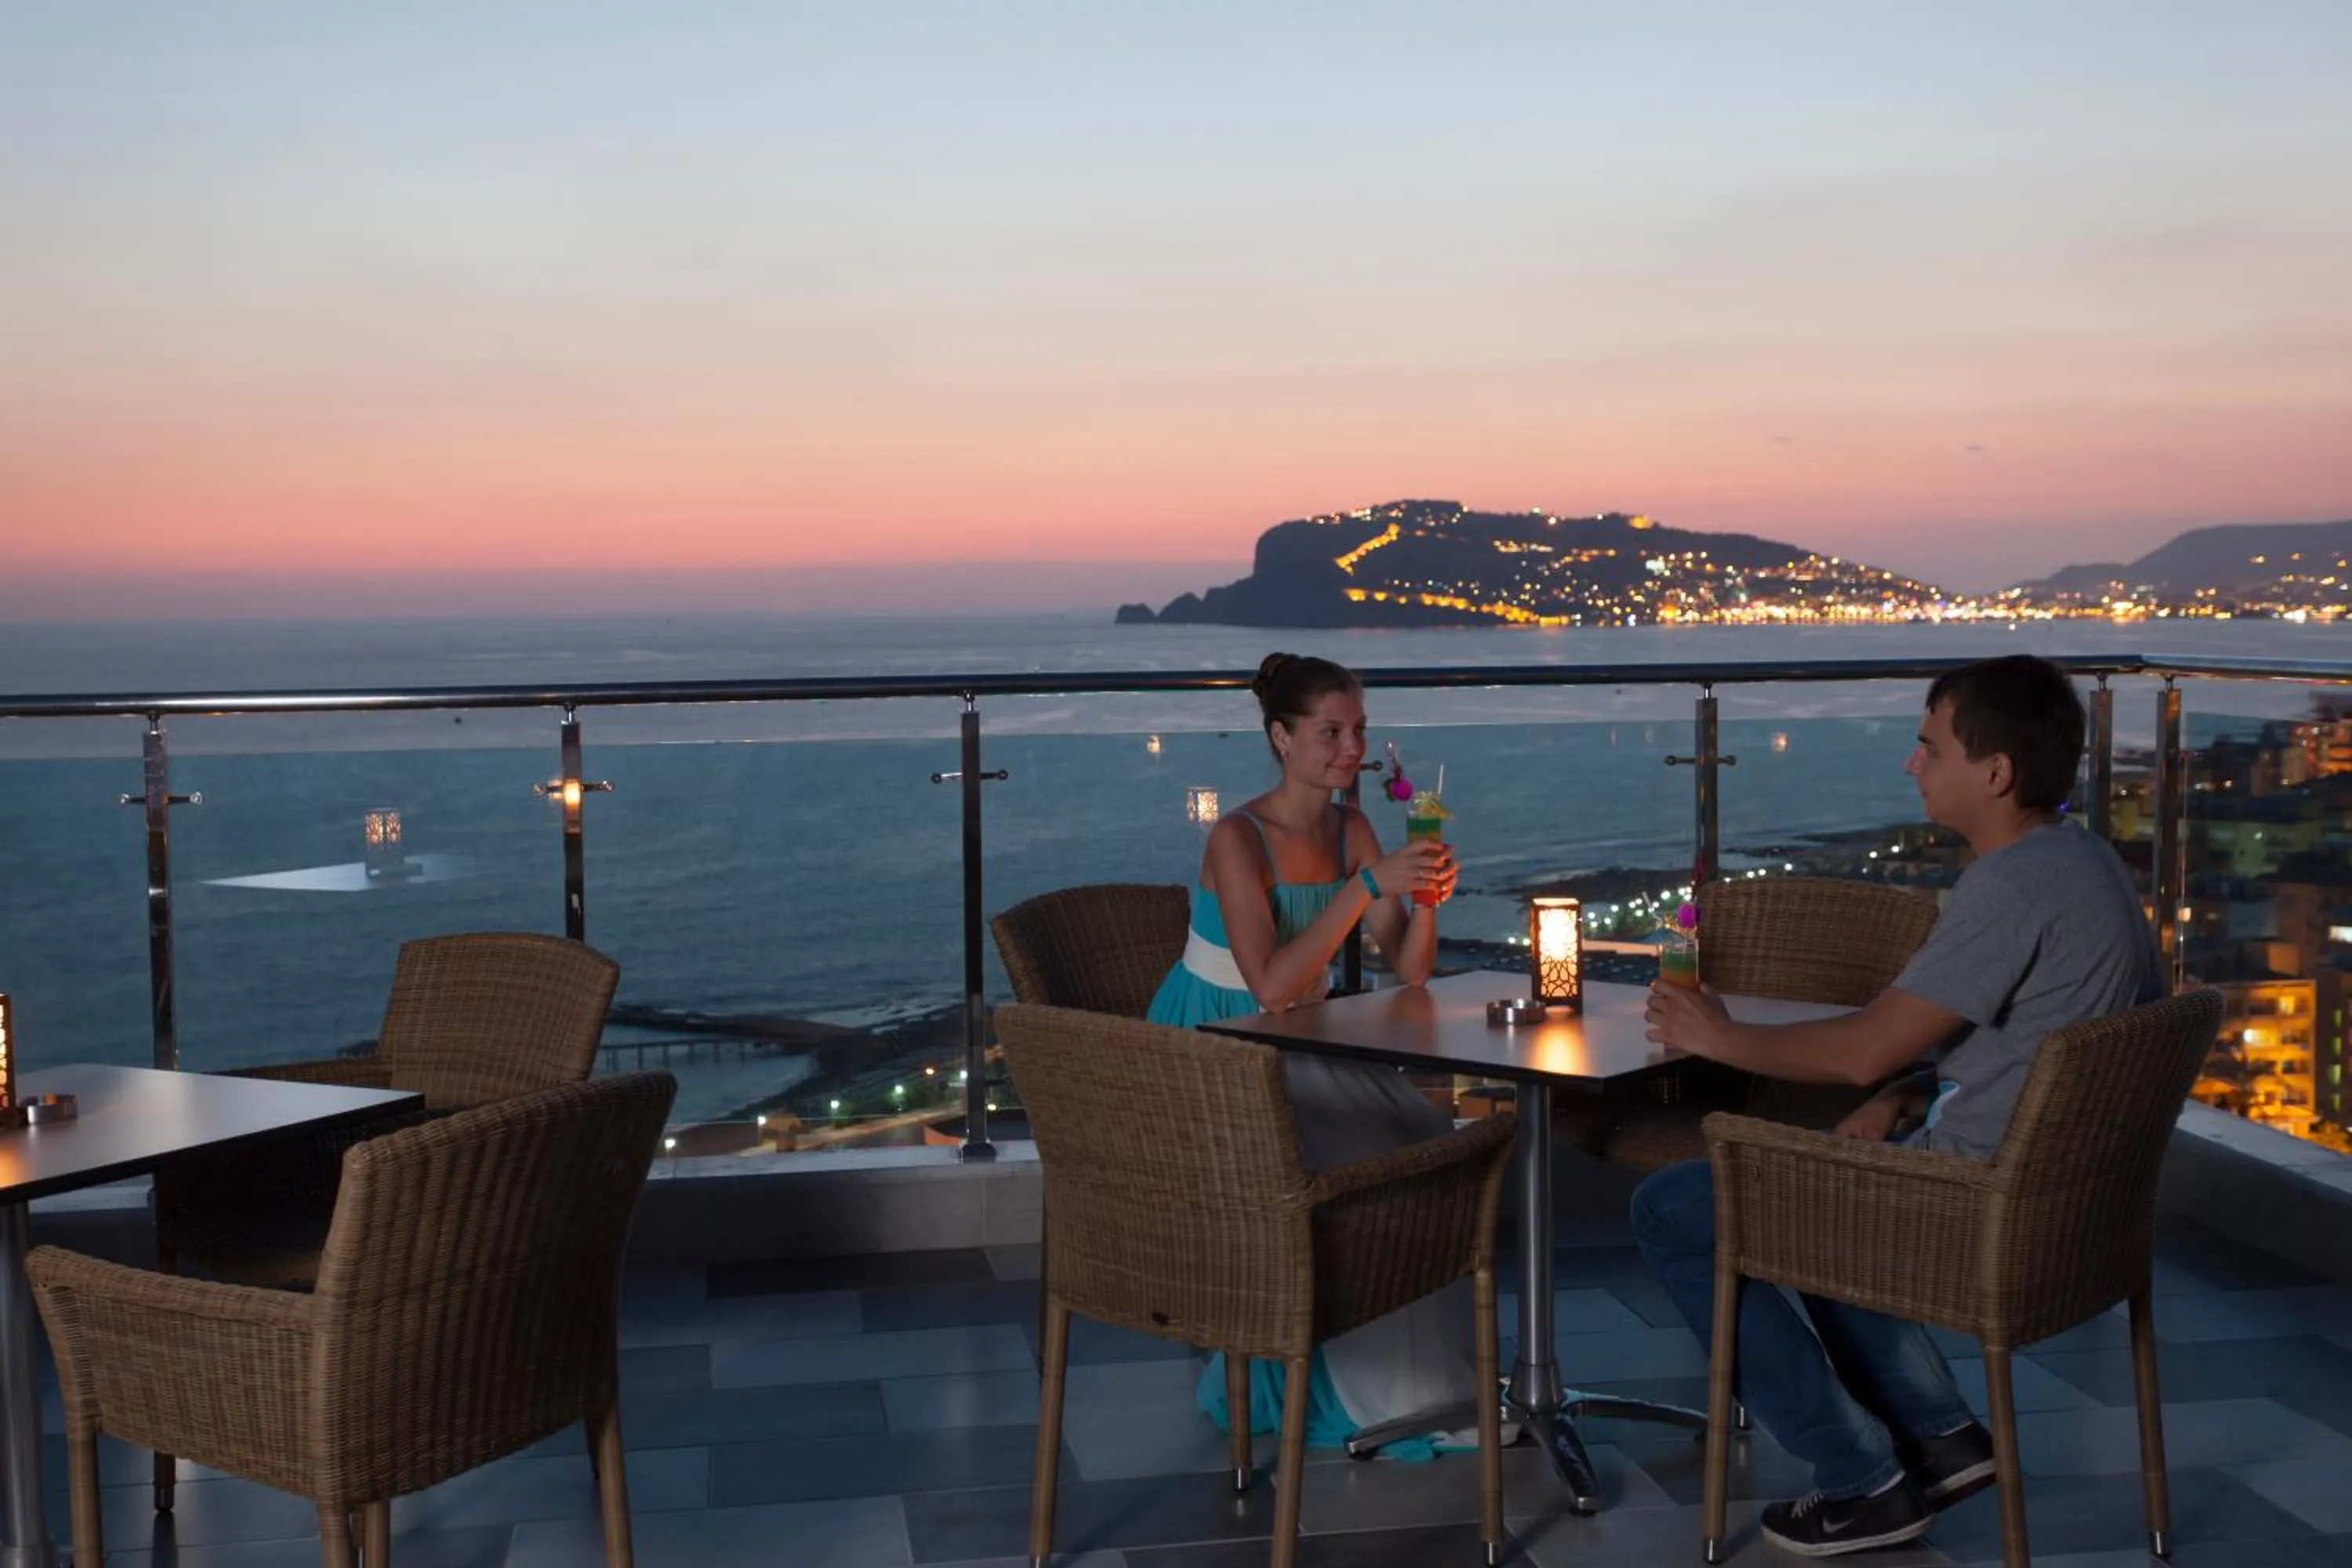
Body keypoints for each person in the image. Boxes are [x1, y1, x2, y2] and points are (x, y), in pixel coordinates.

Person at [1633, 654, 2161, 1556]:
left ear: (1995, 773)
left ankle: (1859, 1478)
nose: (1913, 763)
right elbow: (2036, 1052)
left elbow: (1860, 1049)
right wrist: (1912, 1092)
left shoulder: (2010, 885)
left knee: (1675, 1206)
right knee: (1819, 1168)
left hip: (1973, 1209)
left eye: (1931, 747)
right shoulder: (2087, 861)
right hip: (2067, 1207)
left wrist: (1716, 1035)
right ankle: (1940, 1437)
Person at [1147, 652, 1475, 1457]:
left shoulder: (1351, 828)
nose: (1351, 748)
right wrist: (1364, 889)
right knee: (1362, 1154)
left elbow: (1412, 970)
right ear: (1281, 737)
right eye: (1330, 732)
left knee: (1422, 1137)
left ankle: (1420, 1382)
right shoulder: (1238, 837)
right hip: (1218, 1040)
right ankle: (1353, 1381)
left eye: (1359, 729)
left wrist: (1425, 898)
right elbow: (1268, 986)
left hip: (1298, 1034)